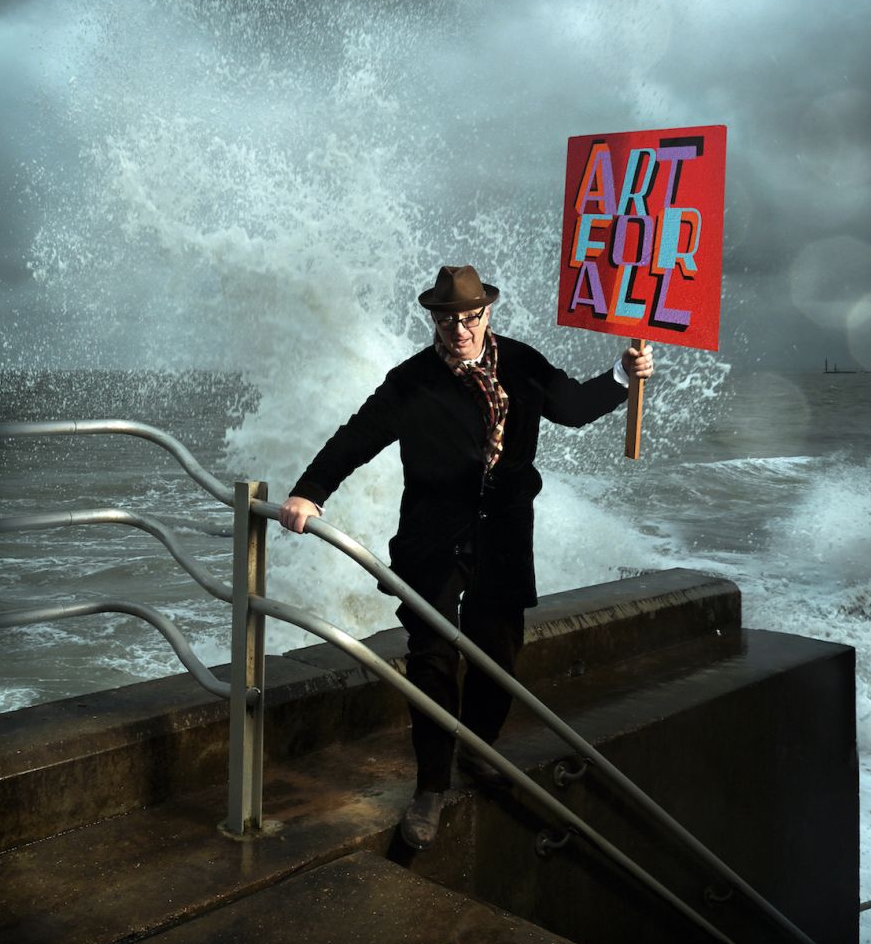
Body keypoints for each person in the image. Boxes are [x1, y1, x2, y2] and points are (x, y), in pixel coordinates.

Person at [280, 264, 654, 849]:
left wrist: (621, 376)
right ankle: (430, 786)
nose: (459, 329)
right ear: (434, 319)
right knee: (431, 655)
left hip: (503, 534)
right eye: (447, 319)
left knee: (499, 652)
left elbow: (575, 408)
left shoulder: (523, 364)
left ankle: (476, 750)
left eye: (470, 317)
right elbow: (356, 437)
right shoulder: (412, 381)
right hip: (432, 537)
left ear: (487, 315)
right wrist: (309, 491)